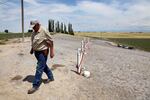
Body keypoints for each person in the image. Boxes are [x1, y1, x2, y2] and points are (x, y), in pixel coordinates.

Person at [28, 20, 54, 94]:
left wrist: (52, 52)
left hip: (43, 52)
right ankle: (51, 77)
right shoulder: (33, 32)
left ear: (38, 24)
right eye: (32, 27)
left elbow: (51, 41)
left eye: (34, 27)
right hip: (36, 52)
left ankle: (35, 85)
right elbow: (34, 42)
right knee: (43, 66)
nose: (33, 28)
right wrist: (32, 49)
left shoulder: (44, 30)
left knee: (39, 68)